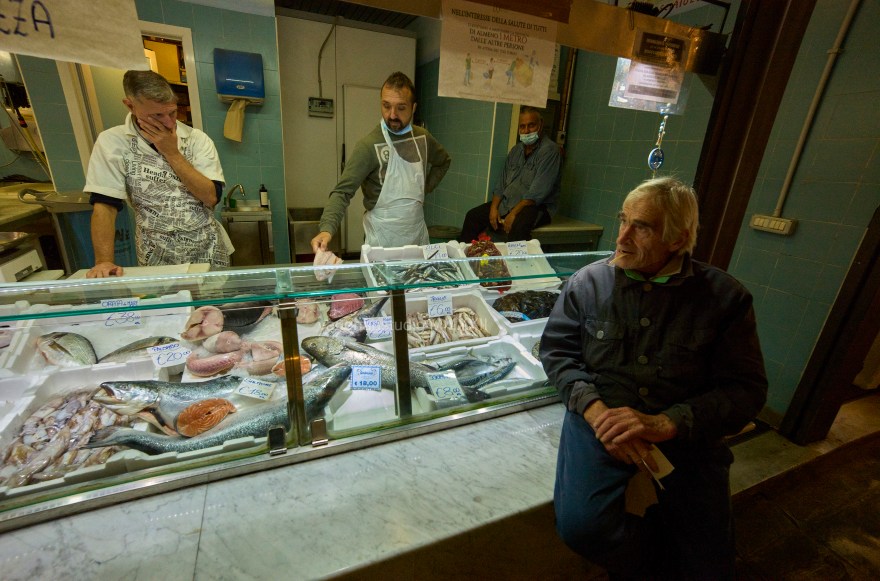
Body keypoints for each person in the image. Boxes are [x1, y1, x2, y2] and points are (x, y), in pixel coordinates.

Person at [540, 177, 767, 580]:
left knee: (711, 563)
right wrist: (595, 411)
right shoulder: (586, 284)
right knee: (582, 527)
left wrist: (667, 423)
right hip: (602, 420)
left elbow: (746, 390)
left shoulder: (725, 298)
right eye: (622, 220)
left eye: (641, 226)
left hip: (684, 431)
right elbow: (558, 353)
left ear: (677, 239)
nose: (621, 237)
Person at [85, 70, 228, 278]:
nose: (169, 123)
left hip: (207, 250)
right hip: (155, 255)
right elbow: (105, 205)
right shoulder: (113, 142)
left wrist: (172, 153)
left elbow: (211, 197)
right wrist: (103, 261)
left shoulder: (197, 139)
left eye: (172, 113)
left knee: (213, 298)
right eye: (157, 116)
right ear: (130, 106)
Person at [310, 72, 451, 252]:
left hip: (417, 237)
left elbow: (443, 161)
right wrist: (327, 228)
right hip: (381, 240)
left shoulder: (423, 138)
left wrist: (424, 189)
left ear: (413, 107)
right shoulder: (368, 146)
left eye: (401, 108)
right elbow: (342, 192)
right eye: (386, 106)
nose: (392, 115)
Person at [458, 106, 561, 243]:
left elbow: (536, 194)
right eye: (522, 126)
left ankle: (514, 258)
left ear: (540, 125)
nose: (526, 131)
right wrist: (494, 208)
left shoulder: (550, 151)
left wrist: (513, 214)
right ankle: (463, 255)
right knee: (472, 216)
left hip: (535, 207)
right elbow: (501, 184)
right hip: (508, 202)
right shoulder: (516, 151)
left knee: (518, 228)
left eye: (531, 125)